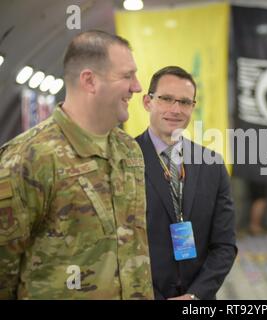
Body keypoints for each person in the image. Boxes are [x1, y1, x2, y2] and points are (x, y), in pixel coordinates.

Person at [0, 30, 154, 299]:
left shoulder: (129, 151)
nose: (137, 86)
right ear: (90, 81)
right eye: (127, 75)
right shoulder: (29, 158)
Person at [136, 66, 237, 300]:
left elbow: (225, 245)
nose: (175, 109)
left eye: (184, 102)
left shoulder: (211, 164)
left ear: (193, 107)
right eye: (166, 99)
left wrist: (195, 296)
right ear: (147, 102)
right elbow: (114, 246)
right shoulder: (123, 159)